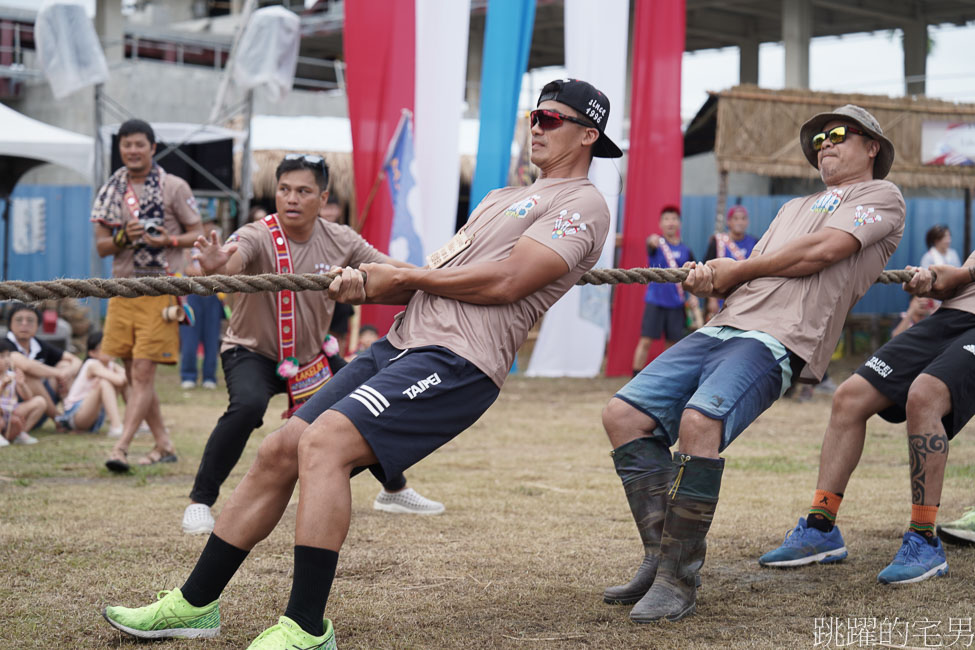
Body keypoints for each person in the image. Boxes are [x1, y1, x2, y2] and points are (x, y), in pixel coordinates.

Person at [102, 77, 614, 648]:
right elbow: (432, 279)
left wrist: (407, 276)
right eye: (533, 117)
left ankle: (306, 627)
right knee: (278, 449)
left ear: (589, 134)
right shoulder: (498, 198)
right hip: (399, 344)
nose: (536, 127)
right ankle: (194, 605)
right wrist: (370, 287)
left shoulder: (583, 204)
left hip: (458, 360)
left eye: (551, 119)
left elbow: (510, 281)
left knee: (324, 445)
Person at [600, 104, 904, 623]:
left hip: (779, 337)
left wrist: (739, 268)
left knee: (700, 422)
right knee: (623, 416)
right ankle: (659, 557)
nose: (824, 144)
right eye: (817, 140)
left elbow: (823, 252)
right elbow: (745, 271)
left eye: (837, 134)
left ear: (872, 146)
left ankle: (679, 579)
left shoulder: (881, 196)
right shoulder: (791, 208)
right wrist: (715, 274)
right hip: (724, 325)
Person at [179, 154, 444, 538]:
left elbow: (392, 271)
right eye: (284, 190)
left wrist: (443, 280)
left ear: (322, 199)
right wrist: (217, 263)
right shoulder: (257, 233)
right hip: (251, 349)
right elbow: (231, 261)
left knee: (366, 404)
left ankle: (394, 489)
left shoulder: (341, 238)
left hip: (311, 357)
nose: (291, 198)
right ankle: (200, 503)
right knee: (248, 407)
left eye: (303, 191)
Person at [759, 254, 975, 583]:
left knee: (924, 395)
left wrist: (960, 273)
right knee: (849, 397)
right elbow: (961, 284)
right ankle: (820, 527)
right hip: (949, 319)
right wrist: (936, 282)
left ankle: (923, 538)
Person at [91, 119, 204, 472]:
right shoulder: (110, 190)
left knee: (141, 372)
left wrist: (166, 240)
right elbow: (102, 247)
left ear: (153, 148)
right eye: (127, 145)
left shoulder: (174, 186)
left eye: (140, 144)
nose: (133, 151)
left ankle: (121, 447)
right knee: (133, 372)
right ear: (120, 149)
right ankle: (164, 444)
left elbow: (197, 233)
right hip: (122, 289)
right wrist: (125, 236)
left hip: (160, 288)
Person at [631, 206, 696, 376]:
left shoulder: (685, 250)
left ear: (679, 223)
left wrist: (693, 297)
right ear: (660, 223)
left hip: (676, 304)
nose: (670, 223)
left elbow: (693, 275)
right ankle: (634, 378)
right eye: (666, 219)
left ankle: (664, 379)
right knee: (645, 341)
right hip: (655, 301)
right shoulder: (656, 244)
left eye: (674, 219)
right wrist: (652, 240)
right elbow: (650, 242)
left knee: (672, 345)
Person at [5, 302, 82, 427]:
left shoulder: (39, 344)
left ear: (37, 326)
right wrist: (59, 373)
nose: (24, 324)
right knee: (27, 375)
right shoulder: (4, 344)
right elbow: (26, 366)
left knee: (64, 365)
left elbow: (77, 361)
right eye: (19, 320)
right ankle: (58, 418)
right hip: (17, 409)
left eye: (30, 320)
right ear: (10, 324)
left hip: (42, 406)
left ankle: (71, 415)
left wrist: (67, 371)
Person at [180, 218, 224, 390]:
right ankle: (188, 375)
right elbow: (188, 270)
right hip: (192, 294)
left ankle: (209, 376)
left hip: (212, 295)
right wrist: (208, 272)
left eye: (211, 225)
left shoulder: (217, 246)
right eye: (206, 225)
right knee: (189, 337)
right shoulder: (188, 247)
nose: (209, 228)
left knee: (212, 338)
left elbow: (222, 270)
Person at [54, 332, 126, 436]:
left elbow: (127, 377)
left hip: (93, 415)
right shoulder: (92, 364)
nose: (111, 350)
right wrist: (122, 376)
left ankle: (135, 423)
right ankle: (116, 426)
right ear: (92, 353)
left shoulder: (111, 364)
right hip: (75, 416)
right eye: (105, 347)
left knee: (124, 383)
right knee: (104, 383)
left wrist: (122, 376)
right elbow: (120, 380)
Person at [703, 204, 758, 320]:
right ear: (728, 222)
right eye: (736, 218)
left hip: (747, 298)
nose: (740, 222)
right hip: (721, 297)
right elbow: (707, 270)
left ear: (747, 222)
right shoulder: (717, 242)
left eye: (743, 218)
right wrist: (711, 299)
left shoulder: (755, 242)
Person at [0, 340, 47, 446]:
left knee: (40, 401)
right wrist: (3, 386)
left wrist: (22, 384)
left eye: (8, 356)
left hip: (12, 409)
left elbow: (27, 397)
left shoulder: (11, 375)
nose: (7, 360)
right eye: (2, 357)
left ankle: (20, 433)